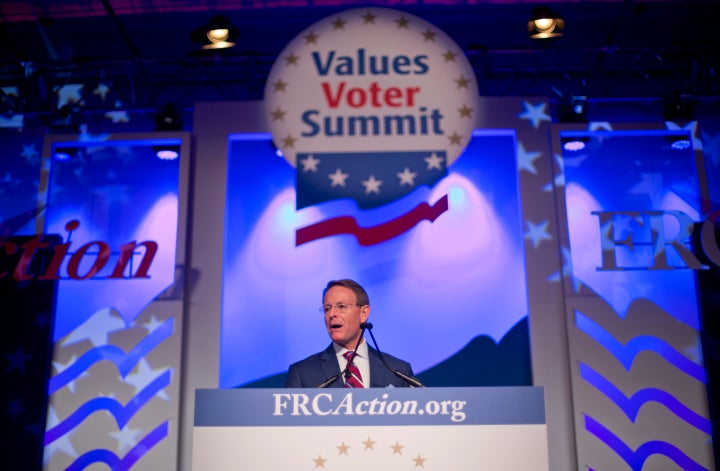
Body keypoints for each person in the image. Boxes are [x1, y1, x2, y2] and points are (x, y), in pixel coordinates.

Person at [284, 279, 416, 388]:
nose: (331, 314)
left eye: (341, 307)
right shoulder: (302, 374)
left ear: (363, 313)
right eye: (326, 309)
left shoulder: (398, 371)